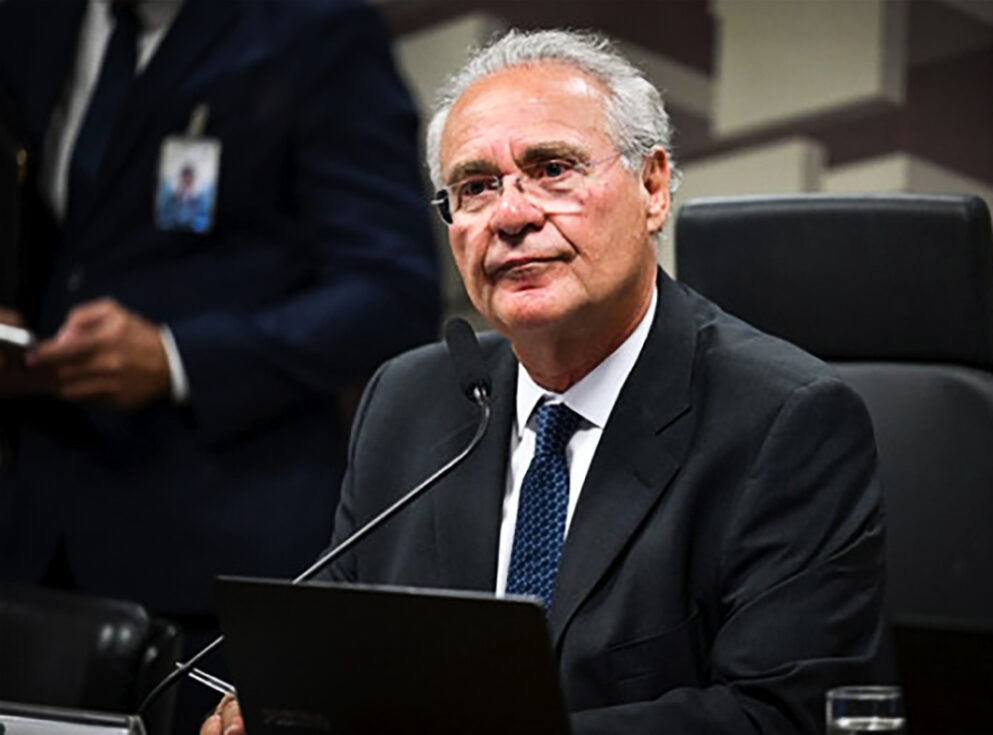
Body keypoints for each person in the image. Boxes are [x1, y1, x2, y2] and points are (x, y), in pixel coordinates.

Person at [204, 28, 885, 735]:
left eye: (553, 169)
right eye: (475, 187)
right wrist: (277, 700)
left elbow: (780, 715)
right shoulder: (407, 403)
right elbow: (333, 655)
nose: (511, 215)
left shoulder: (784, 421)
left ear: (653, 188)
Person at [0, 0, 438, 727]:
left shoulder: (317, 28)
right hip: (35, 543)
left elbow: (391, 292)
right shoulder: (33, 22)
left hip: (213, 548)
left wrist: (178, 357)